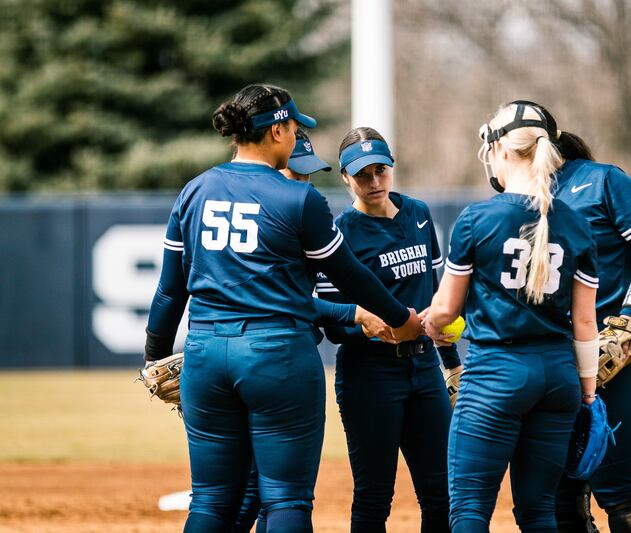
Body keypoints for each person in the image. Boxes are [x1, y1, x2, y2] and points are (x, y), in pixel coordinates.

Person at [144, 83, 422, 533]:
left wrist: (154, 356)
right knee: (286, 499)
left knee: (212, 502)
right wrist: (400, 318)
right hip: (277, 355)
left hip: (206, 353)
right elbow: (350, 277)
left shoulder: (195, 190)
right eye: (294, 127)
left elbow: (169, 292)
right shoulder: (298, 198)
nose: (296, 136)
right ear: (276, 131)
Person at [423, 101, 601, 533]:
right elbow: (584, 323)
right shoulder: (576, 223)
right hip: (558, 379)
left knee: (468, 511)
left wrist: (430, 326)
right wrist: (589, 393)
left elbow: (446, 311)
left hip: (496, 375)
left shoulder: (477, 219)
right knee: (539, 513)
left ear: (501, 151)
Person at [231, 128, 392, 533]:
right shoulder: (270, 220)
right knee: (264, 493)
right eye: (294, 174)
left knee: (258, 493)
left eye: (307, 176)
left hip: (256, 357)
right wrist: (356, 313)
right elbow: (286, 301)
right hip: (271, 360)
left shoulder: (292, 217)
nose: (302, 184)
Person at [315, 127, 463, 532]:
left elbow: (436, 297)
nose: (374, 182)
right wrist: (369, 327)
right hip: (370, 376)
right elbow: (332, 323)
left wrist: (451, 363)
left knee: (442, 493)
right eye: (362, 174)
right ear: (345, 178)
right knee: (375, 495)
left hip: (424, 370)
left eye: (381, 170)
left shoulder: (418, 214)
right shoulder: (341, 232)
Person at [549, 109, 631, 532]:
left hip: (615, 349)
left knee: (622, 493)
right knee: (556, 497)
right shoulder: (515, 196)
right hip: (551, 357)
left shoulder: (602, 180)